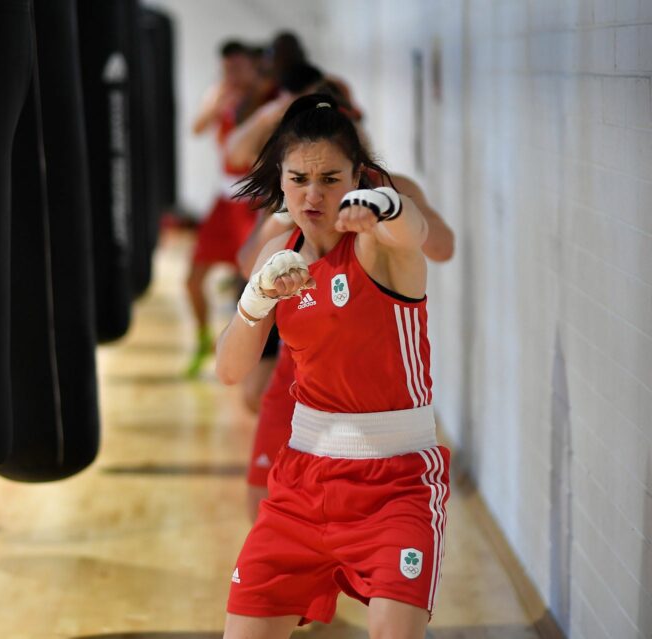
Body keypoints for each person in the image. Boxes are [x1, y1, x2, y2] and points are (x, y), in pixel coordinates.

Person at [216, 94, 450, 638]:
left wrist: (385, 206)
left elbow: (412, 230)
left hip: (395, 484)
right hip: (301, 483)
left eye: (329, 178)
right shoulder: (280, 249)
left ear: (357, 176)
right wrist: (256, 298)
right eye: (298, 178)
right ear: (281, 177)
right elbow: (230, 371)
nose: (312, 193)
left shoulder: (377, 245)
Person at [185, 40, 271, 377]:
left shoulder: (267, 101)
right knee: (193, 280)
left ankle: (255, 356)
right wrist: (219, 102)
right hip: (224, 200)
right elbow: (196, 127)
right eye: (227, 69)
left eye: (238, 68)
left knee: (253, 283)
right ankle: (203, 340)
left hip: (255, 202)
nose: (232, 75)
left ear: (253, 66)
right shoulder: (220, 93)